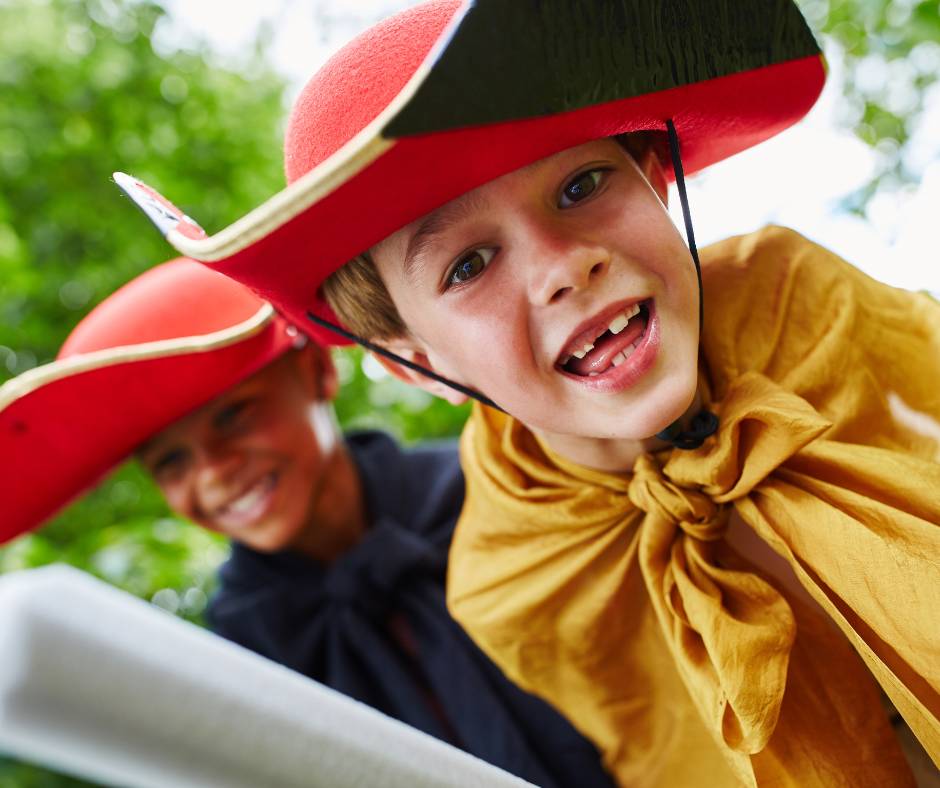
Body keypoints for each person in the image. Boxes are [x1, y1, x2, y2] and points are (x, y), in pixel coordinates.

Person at [116, 1, 940, 785]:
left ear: (656, 177)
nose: (561, 267)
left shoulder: (810, 307)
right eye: (468, 265)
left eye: (581, 185)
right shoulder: (510, 582)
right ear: (414, 365)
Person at [0, 258, 617, 788]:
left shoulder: (502, 492)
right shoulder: (239, 652)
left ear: (318, 373)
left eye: (235, 416)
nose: (213, 475)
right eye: (172, 462)